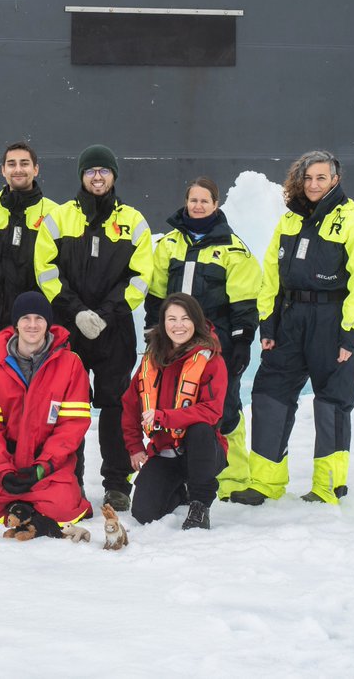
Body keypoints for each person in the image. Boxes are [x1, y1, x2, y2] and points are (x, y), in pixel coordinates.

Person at [230, 150, 354, 506]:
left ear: (335, 180)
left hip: (332, 320)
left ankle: (327, 487)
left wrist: (352, 333)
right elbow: (271, 275)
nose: (314, 185)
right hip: (290, 318)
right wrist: (268, 322)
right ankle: (264, 483)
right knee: (269, 394)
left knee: (332, 402)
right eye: (308, 178)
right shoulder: (289, 222)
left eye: (321, 178)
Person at [33, 144, 152, 512]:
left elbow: (140, 276)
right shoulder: (59, 218)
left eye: (103, 171)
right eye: (91, 171)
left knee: (116, 407)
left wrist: (105, 313)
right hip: (69, 330)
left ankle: (117, 484)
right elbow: (46, 270)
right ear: (81, 176)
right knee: (70, 408)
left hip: (113, 330)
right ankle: (70, 478)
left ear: (114, 175)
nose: (97, 177)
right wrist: (77, 311)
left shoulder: (134, 221)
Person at [145, 176, 261, 499]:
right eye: (193, 200)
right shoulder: (168, 245)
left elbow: (244, 303)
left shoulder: (234, 250)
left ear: (216, 204)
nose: (198, 206)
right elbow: (155, 295)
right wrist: (152, 333)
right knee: (172, 403)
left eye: (204, 201)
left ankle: (233, 477)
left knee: (225, 407)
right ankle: (174, 470)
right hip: (173, 343)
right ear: (186, 202)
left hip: (215, 346)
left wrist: (241, 342)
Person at [0, 292, 93, 539]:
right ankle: (21, 508)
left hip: (48, 468)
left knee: (64, 509)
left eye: (39, 318)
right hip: (4, 466)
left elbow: (72, 425)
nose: (32, 324)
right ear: (16, 323)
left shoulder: (70, 363)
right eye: (25, 318)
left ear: (48, 323)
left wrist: (42, 467)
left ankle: (22, 510)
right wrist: (2, 471)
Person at [122, 293, 228, 530]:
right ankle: (180, 491)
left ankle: (200, 503)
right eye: (171, 319)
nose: (178, 325)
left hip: (202, 452)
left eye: (185, 318)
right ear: (163, 322)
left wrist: (165, 417)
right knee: (143, 513)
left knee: (200, 429)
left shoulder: (210, 359)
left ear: (196, 321)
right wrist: (135, 447)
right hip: (164, 451)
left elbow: (212, 411)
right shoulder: (151, 358)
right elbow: (130, 404)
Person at [0, 143, 57, 373]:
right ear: (3, 170)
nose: (18, 169)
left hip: (38, 327)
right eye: (12, 164)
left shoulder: (55, 216)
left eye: (24, 163)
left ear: (36, 169)